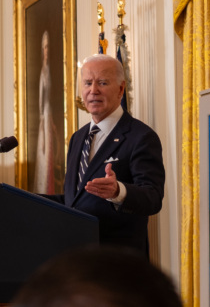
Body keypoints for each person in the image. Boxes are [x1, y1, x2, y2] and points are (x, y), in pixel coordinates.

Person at [44, 54, 165, 257]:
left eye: (102, 82)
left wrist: (119, 191)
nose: (93, 91)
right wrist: (24, 198)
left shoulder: (141, 136)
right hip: (78, 260)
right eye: (88, 83)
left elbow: (153, 198)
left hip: (118, 264)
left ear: (120, 89)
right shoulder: (77, 138)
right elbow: (75, 199)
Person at [11, 246, 182, 307]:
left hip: (120, 270)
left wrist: (118, 192)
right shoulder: (73, 162)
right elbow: (70, 198)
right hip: (77, 255)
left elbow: (151, 195)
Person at [33, 30, 59, 194]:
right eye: (44, 47)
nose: (46, 50)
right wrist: (44, 121)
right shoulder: (43, 71)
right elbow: (42, 101)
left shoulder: (51, 70)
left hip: (49, 116)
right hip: (45, 116)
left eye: (48, 47)